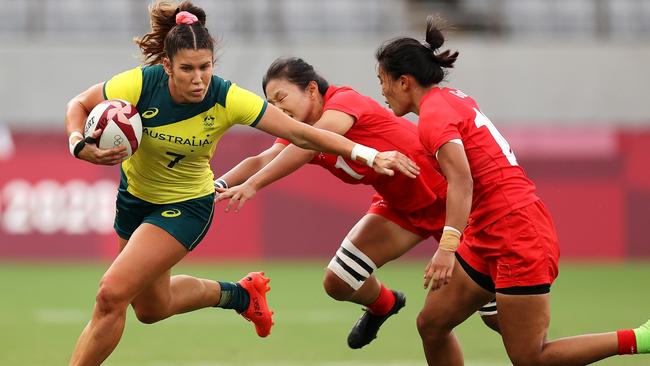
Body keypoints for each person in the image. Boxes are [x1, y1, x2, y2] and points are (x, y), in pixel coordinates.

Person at [63, 2, 418, 365]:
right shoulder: (139, 83)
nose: (198, 78)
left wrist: (369, 155)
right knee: (152, 308)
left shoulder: (226, 97)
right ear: (167, 66)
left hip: (185, 206)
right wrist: (78, 144)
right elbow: (79, 104)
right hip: (134, 198)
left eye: (205, 67)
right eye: (187, 69)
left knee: (110, 294)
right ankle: (240, 295)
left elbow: (303, 134)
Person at [374, 14, 650, 366]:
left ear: (404, 82)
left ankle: (640, 338)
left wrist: (447, 246)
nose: (381, 91)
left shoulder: (433, 117)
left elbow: (462, 180)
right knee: (432, 324)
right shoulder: (449, 99)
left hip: (517, 232)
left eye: (382, 81)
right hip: (489, 230)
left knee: (530, 358)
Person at [214, 57, 500, 349]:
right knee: (338, 282)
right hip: (400, 207)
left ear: (311, 89)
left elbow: (309, 144)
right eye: (270, 103)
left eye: (281, 98)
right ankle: (385, 305)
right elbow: (261, 159)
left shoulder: (343, 101)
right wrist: (217, 186)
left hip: (447, 203)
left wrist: (253, 185)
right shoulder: (302, 129)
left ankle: (537, 350)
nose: (276, 109)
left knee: (495, 319)